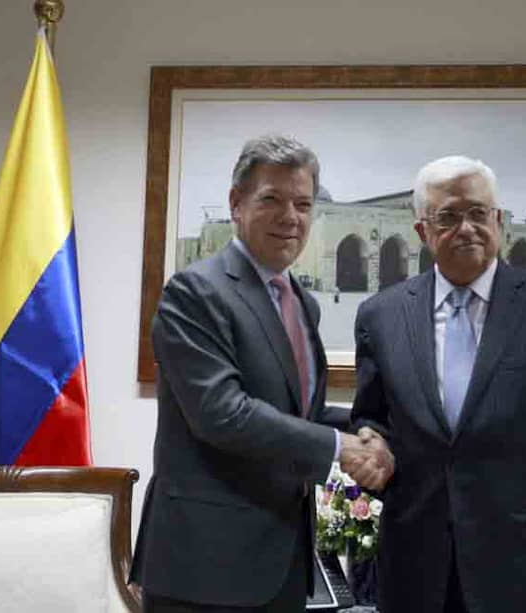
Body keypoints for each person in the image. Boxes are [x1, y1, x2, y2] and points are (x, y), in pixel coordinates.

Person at [130, 135, 394, 613]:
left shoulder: (302, 302)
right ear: (236, 203)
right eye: (271, 199)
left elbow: (298, 413)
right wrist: (341, 447)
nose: (289, 217)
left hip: (281, 564)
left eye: (302, 203)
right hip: (203, 568)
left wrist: (364, 430)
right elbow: (222, 413)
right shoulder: (195, 291)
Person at [350, 156, 526, 613]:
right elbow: (373, 416)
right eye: (448, 217)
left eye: (479, 213)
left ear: (499, 221)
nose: (467, 228)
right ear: (422, 231)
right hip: (415, 565)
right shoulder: (381, 315)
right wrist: (372, 441)